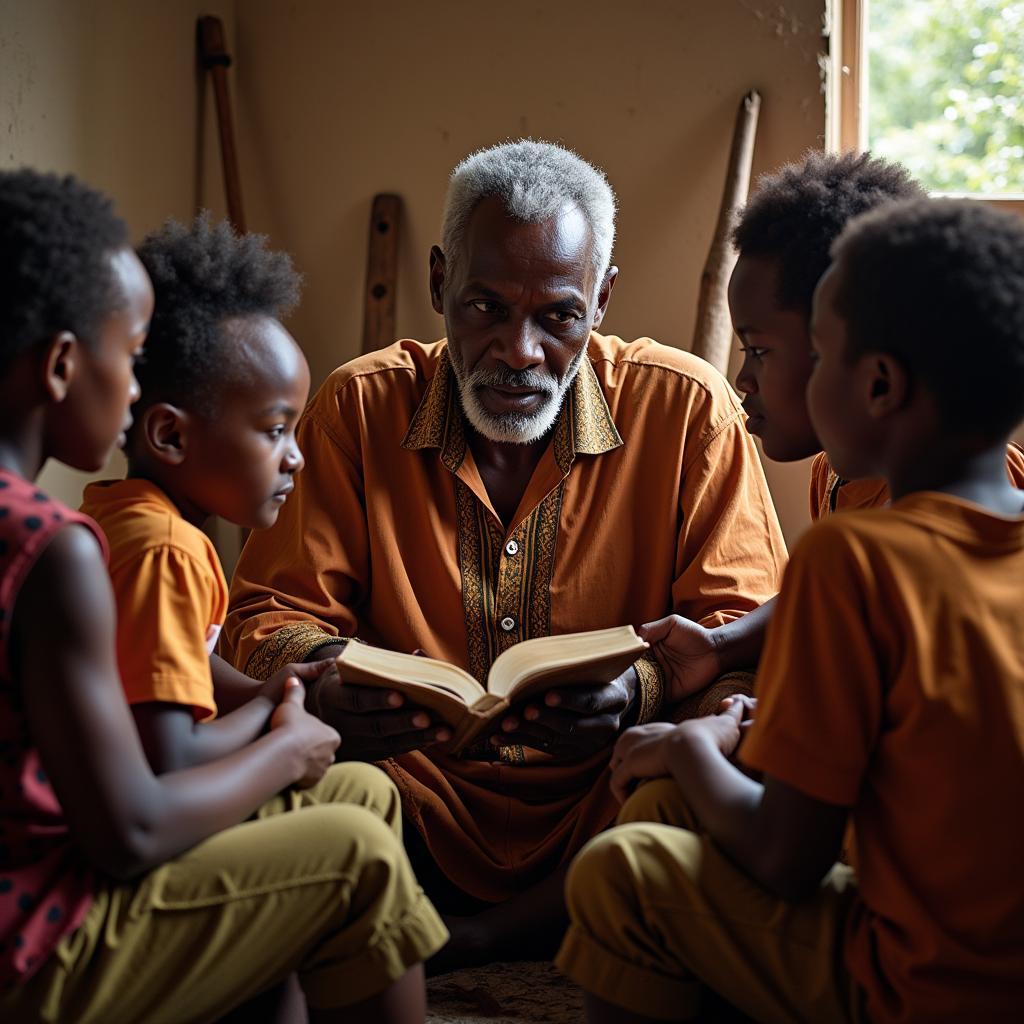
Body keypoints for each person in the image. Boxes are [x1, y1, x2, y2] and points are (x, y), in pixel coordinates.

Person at [220, 139, 787, 966]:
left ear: (602, 299)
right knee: (311, 785)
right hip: (413, 789)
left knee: (711, 769)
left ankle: (469, 938)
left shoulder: (687, 410)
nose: (518, 352)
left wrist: (641, 689)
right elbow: (271, 614)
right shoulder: (358, 408)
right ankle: (522, 924)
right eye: (485, 307)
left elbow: (741, 630)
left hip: (612, 791)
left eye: (557, 315)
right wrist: (333, 680)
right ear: (440, 281)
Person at [556, 197, 1024, 1023]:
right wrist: (734, 664)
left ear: (876, 383)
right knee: (670, 806)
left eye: (811, 354)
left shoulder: (850, 560)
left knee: (620, 869)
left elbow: (785, 861)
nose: (745, 377)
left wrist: (698, 743)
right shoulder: (891, 512)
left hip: (931, 985)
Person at [0, 170, 446, 1023]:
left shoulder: (80, 527)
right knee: (352, 850)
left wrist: (290, 696)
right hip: (40, 934)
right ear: (62, 365)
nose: (132, 389)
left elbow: (177, 697)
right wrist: (284, 744)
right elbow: (132, 820)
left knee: (354, 802)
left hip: (49, 879)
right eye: (127, 357)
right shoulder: (58, 547)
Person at [640, 151, 1024, 692]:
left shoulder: (930, 513)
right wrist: (721, 644)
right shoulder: (841, 473)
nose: (742, 379)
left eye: (759, 350)